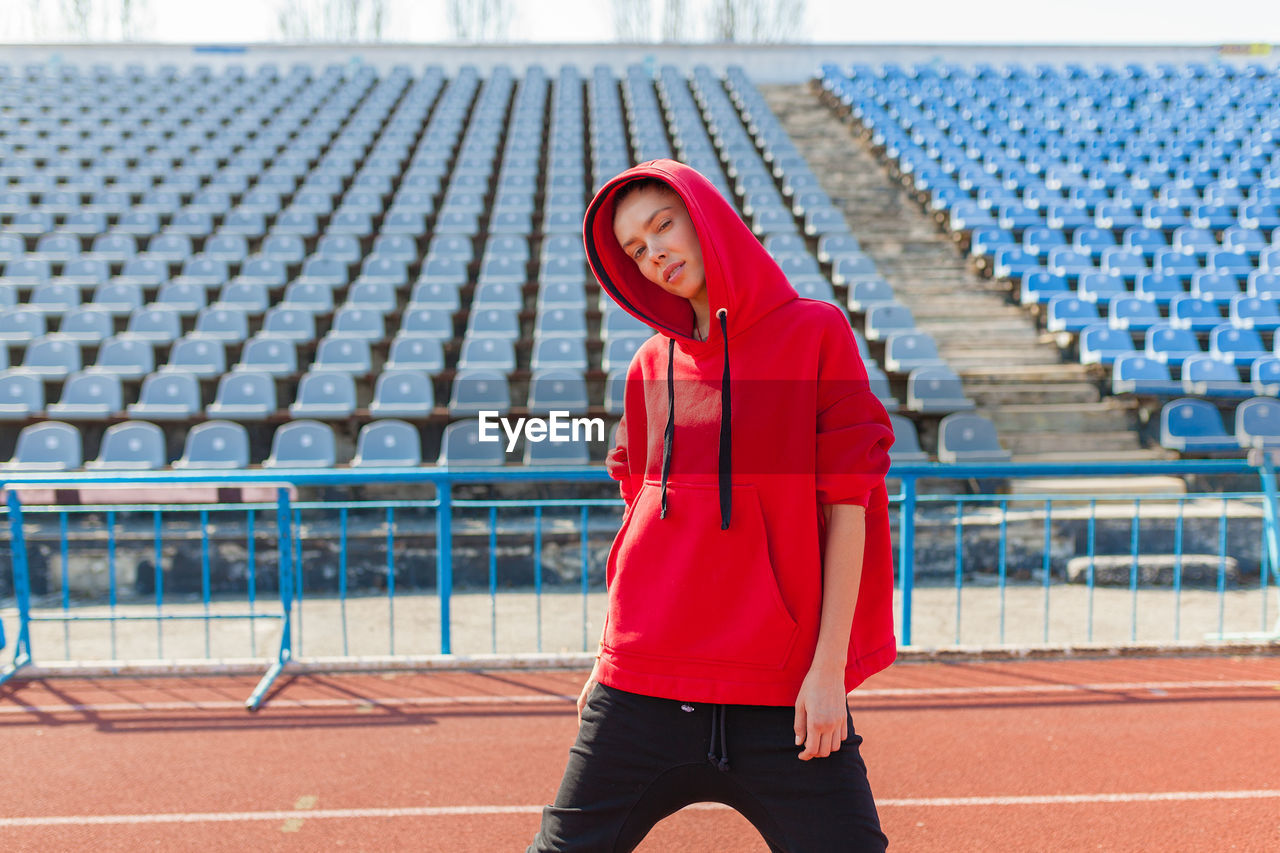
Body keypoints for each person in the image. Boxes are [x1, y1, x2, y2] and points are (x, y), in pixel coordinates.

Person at [528, 159, 896, 852]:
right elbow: (640, 519)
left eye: (663, 226)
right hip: (646, 678)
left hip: (783, 690)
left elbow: (850, 506)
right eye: (634, 249)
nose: (654, 253)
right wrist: (606, 658)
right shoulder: (647, 366)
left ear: (706, 220)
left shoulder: (815, 333)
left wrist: (828, 671)